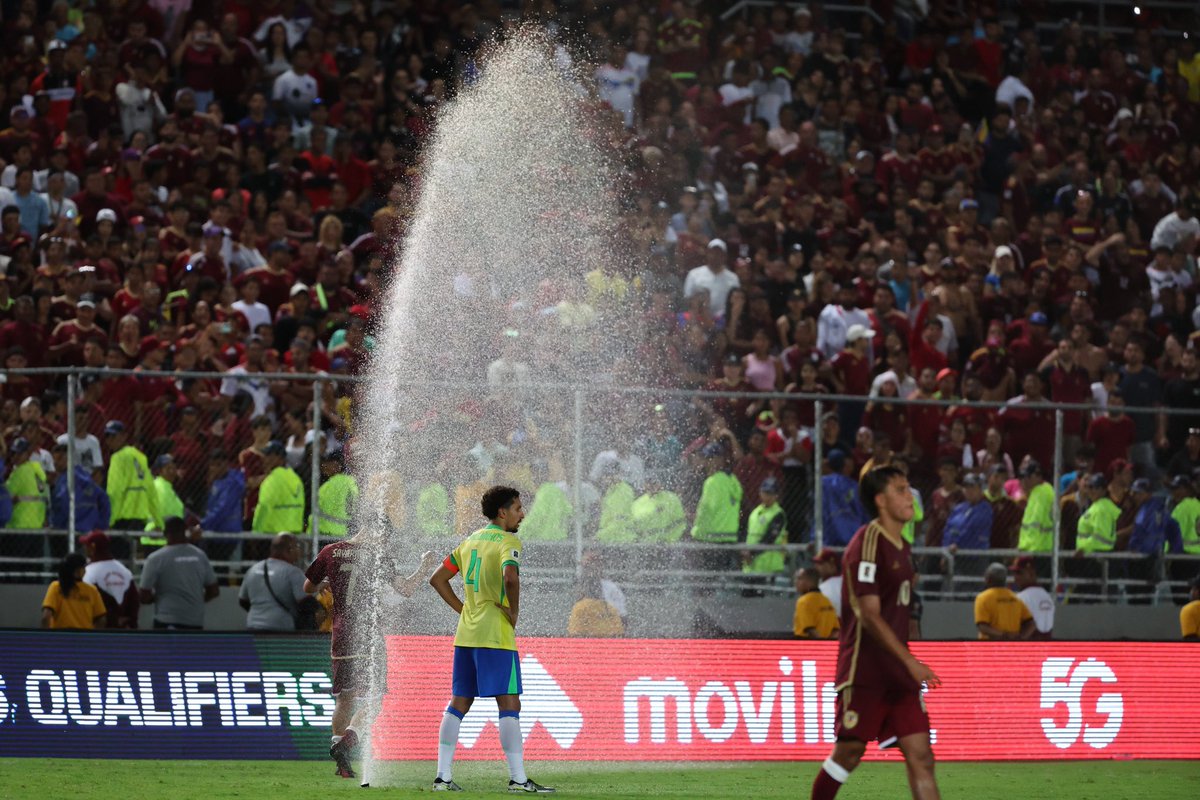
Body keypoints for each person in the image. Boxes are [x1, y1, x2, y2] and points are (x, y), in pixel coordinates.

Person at [811, 465, 941, 800]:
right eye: (900, 489)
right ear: (881, 500)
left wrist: (906, 662)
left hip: (899, 676)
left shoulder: (904, 546)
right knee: (849, 754)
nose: (909, 495)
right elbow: (868, 616)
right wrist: (910, 661)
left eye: (909, 486)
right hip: (865, 670)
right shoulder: (867, 541)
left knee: (922, 757)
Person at [427, 486, 554, 793]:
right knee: (510, 703)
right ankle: (519, 779)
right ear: (503, 512)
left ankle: (442, 777)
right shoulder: (509, 541)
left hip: (466, 635)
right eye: (518, 508)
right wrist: (514, 613)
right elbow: (510, 577)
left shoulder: (470, 541)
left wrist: (463, 610)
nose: (522, 513)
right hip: (496, 635)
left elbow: (437, 579)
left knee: (459, 702)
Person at [304, 527, 436, 781]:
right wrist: (424, 566)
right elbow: (406, 589)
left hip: (340, 634)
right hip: (367, 634)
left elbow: (308, 587)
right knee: (376, 699)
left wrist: (328, 581)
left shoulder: (330, 551)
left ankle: (340, 760)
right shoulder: (377, 555)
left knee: (344, 698)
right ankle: (346, 743)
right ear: (379, 533)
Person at [138, 517, 218, 630]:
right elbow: (214, 591)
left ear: (165, 533)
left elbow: (143, 596)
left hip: (166, 620)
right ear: (186, 531)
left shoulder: (156, 559)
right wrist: (196, 600)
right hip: (195, 621)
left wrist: (157, 598)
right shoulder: (200, 556)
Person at [104, 420, 160, 556]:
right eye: (107, 436)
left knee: (119, 558)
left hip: (121, 517)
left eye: (113, 436)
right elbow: (151, 490)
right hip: (140, 517)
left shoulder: (118, 457)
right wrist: (158, 520)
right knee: (131, 557)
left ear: (124, 436)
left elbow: (115, 490)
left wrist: (110, 520)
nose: (110, 440)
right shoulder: (140, 457)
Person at [239, 533, 310, 631]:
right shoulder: (293, 572)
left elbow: (243, 601)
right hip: (281, 629)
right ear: (289, 550)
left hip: (253, 627)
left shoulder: (253, 569)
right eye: (297, 547)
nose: (299, 552)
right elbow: (307, 604)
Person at [80, 529, 139, 629]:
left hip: (99, 631)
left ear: (92, 547)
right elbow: (134, 602)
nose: (84, 548)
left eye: (86, 545)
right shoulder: (125, 571)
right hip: (125, 630)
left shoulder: (89, 573)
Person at [49, 442, 110, 533]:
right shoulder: (85, 476)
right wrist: (101, 525)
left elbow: (62, 505)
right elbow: (104, 500)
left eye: (59, 458)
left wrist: (56, 525)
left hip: (70, 530)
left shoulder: (66, 480)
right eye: (54, 459)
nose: (55, 463)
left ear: (69, 458)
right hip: (90, 529)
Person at [41, 552, 107, 629]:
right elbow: (101, 619)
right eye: (84, 567)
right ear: (78, 571)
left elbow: (46, 617)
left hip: (60, 637)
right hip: (84, 638)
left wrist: (45, 637)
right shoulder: (92, 590)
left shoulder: (56, 587)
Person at [251, 440, 304, 534]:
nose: (265, 459)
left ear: (280, 458)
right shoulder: (295, 477)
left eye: (269, 456)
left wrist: (256, 531)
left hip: (272, 532)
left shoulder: (271, 480)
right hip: (294, 531)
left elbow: (263, 506)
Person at [974, 562, 1034, 640]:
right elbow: (1031, 623)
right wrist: (1021, 637)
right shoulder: (1015, 598)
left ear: (988, 578)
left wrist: (1004, 635)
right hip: (1011, 647)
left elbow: (982, 626)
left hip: (989, 647)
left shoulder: (983, 598)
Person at [822, 449, 868, 547]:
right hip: (854, 537)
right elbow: (863, 513)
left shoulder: (823, 483)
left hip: (831, 538)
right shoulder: (855, 486)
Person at [743, 476, 788, 574]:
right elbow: (748, 535)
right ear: (760, 493)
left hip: (768, 565)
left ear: (776, 496)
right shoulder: (755, 512)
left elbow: (770, 538)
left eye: (771, 494)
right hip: (751, 565)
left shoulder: (778, 514)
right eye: (765, 493)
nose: (767, 497)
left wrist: (751, 553)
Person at [309, 450, 358, 537]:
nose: (324, 467)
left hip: (327, 533)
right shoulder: (353, 481)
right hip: (348, 532)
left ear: (337, 465)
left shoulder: (329, 485)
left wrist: (310, 532)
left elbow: (317, 510)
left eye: (327, 464)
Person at [5, 436, 48, 529]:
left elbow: (5, 497)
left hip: (19, 525)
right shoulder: (38, 470)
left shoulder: (19, 472)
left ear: (28, 454)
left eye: (20, 453)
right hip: (38, 525)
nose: (15, 457)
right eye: (13, 453)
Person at [1010, 556, 1054, 639]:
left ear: (1031, 574)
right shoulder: (1047, 596)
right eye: (1014, 573)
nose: (1015, 577)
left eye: (1019, 573)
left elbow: (1029, 627)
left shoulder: (1021, 597)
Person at [1017, 460, 1054, 553]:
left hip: (1039, 547)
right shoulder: (1036, 492)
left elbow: (1036, 520)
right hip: (1035, 547)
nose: (1025, 480)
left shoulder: (1042, 492)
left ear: (1037, 476)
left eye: (1028, 477)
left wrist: (1028, 545)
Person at [794, 567, 839, 639]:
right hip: (827, 647)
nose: (796, 582)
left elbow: (809, 629)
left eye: (799, 578)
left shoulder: (803, 601)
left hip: (805, 645)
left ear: (808, 581)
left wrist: (820, 644)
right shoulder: (826, 600)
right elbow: (836, 630)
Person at [813, 548, 843, 618]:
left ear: (832, 566)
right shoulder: (847, 581)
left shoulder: (823, 588)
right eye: (815, 563)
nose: (816, 567)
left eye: (820, 564)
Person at [1182, 576, 1200, 640]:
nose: (1191, 592)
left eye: (1193, 588)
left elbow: (1190, 640)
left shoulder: (1190, 609)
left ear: (1197, 591)